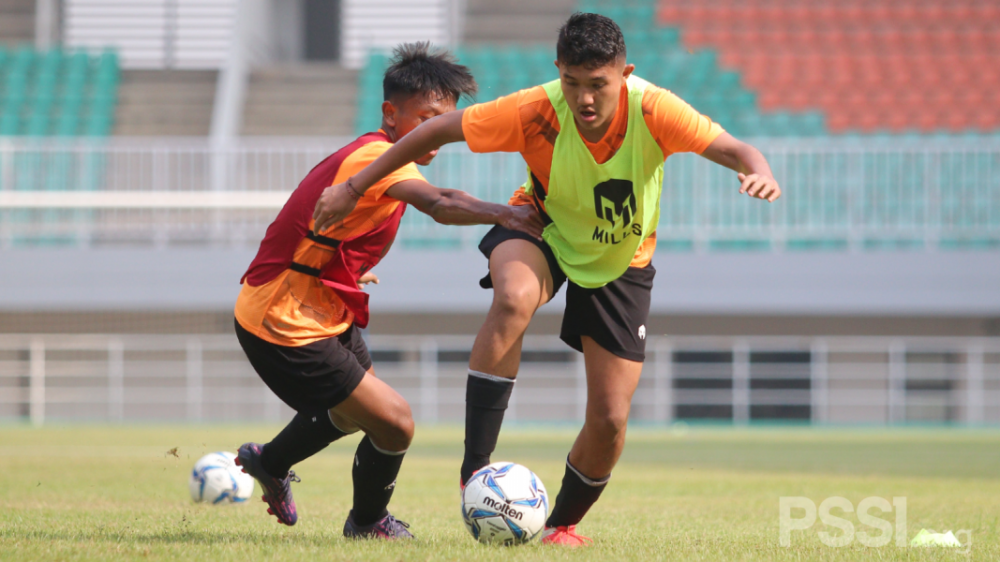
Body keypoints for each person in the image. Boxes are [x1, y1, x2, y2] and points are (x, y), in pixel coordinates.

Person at [312, 14, 781, 546]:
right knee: (513, 298)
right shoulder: (534, 109)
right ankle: (476, 471)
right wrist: (354, 186)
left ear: (624, 74)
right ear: (558, 71)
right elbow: (439, 129)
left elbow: (738, 150)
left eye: (598, 84)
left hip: (622, 262)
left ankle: (562, 525)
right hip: (542, 227)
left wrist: (759, 171)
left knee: (609, 419)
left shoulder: (656, 110)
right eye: (572, 82)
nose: (584, 98)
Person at [232, 42, 543, 540]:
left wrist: (343, 267)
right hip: (282, 320)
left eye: (445, 121)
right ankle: (367, 524)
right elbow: (440, 202)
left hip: (322, 304)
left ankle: (270, 462)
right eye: (426, 118)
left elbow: (313, 226)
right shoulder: (380, 155)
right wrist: (507, 213)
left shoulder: (375, 155)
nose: (437, 132)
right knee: (395, 423)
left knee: (361, 416)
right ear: (390, 114)